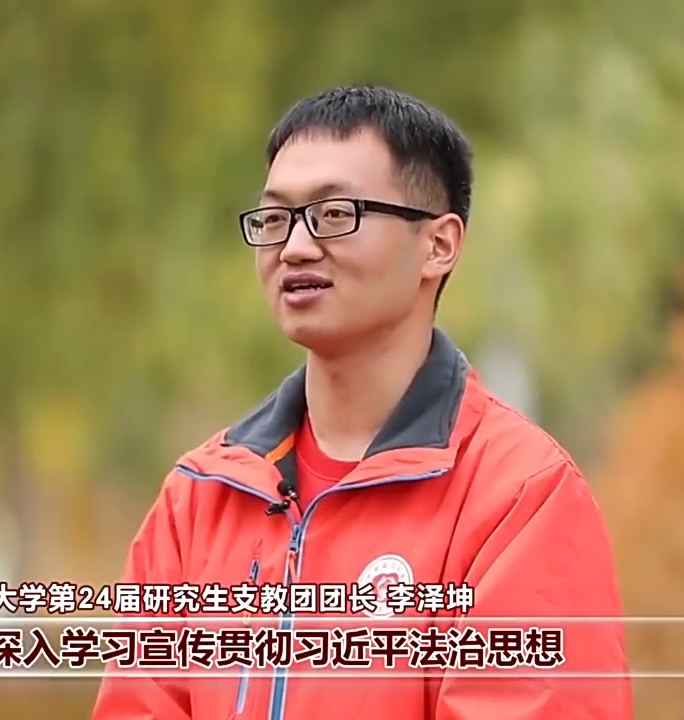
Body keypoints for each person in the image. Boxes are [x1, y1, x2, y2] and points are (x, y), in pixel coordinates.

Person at [92, 84, 631, 720]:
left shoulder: (517, 498)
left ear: (438, 244)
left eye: (334, 214)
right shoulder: (200, 498)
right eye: (274, 219)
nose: (294, 247)